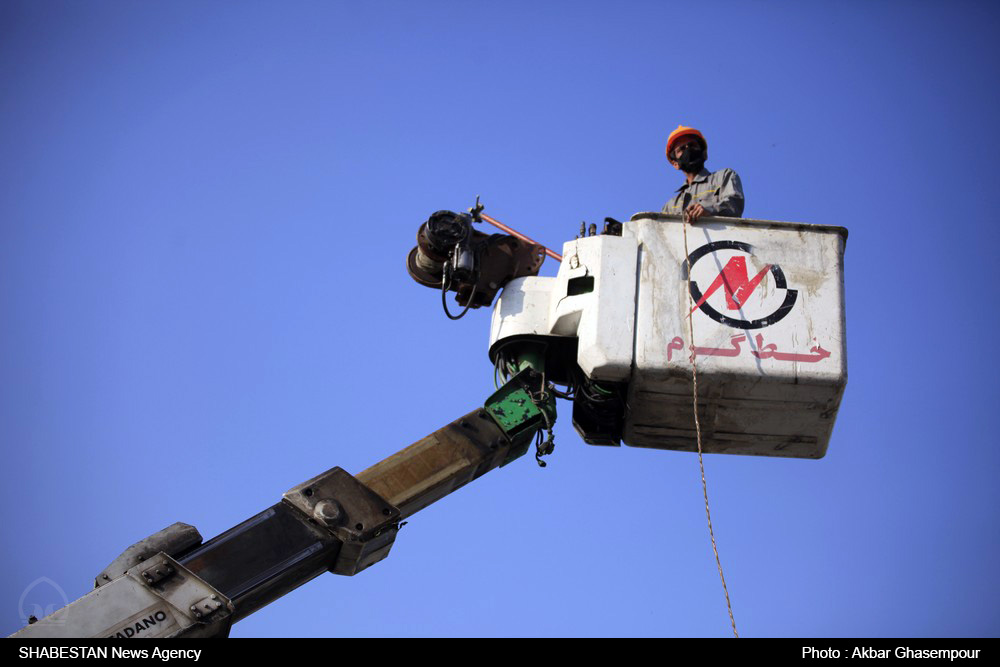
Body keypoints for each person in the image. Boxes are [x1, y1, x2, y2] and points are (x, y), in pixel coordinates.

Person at [662, 125, 744, 222]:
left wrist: (709, 210)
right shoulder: (670, 207)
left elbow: (734, 205)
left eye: (692, 145)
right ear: (675, 164)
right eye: (682, 149)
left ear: (704, 153)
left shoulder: (724, 177)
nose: (688, 149)